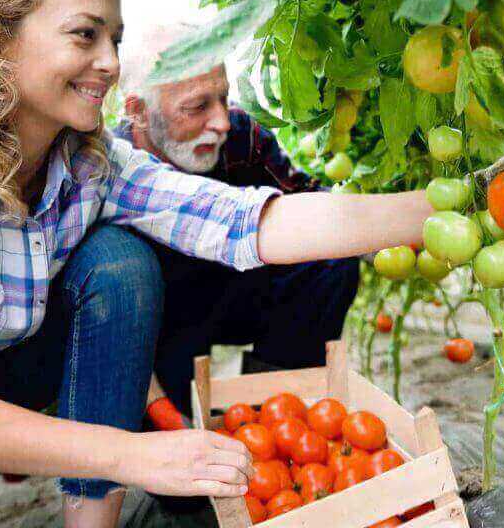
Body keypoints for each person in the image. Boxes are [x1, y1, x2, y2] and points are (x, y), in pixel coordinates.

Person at [0, 0, 433, 527]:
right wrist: (136, 453)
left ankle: (90, 521)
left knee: (117, 262)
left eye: (115, 39)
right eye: (85, 34)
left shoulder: (92, 161)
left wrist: (444, 209)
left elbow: (249, 222)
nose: (109, 61)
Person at [114, 24, 361, 427]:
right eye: (197, 107)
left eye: (223, 99)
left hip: (234, 289)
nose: (222, 122)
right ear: (138, 111)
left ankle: (277, 411)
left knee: (328, 261)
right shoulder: (108, 172)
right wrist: (157, 406)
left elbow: (307, 201)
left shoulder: (241, 138)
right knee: (181, 474)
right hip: (161, 321)